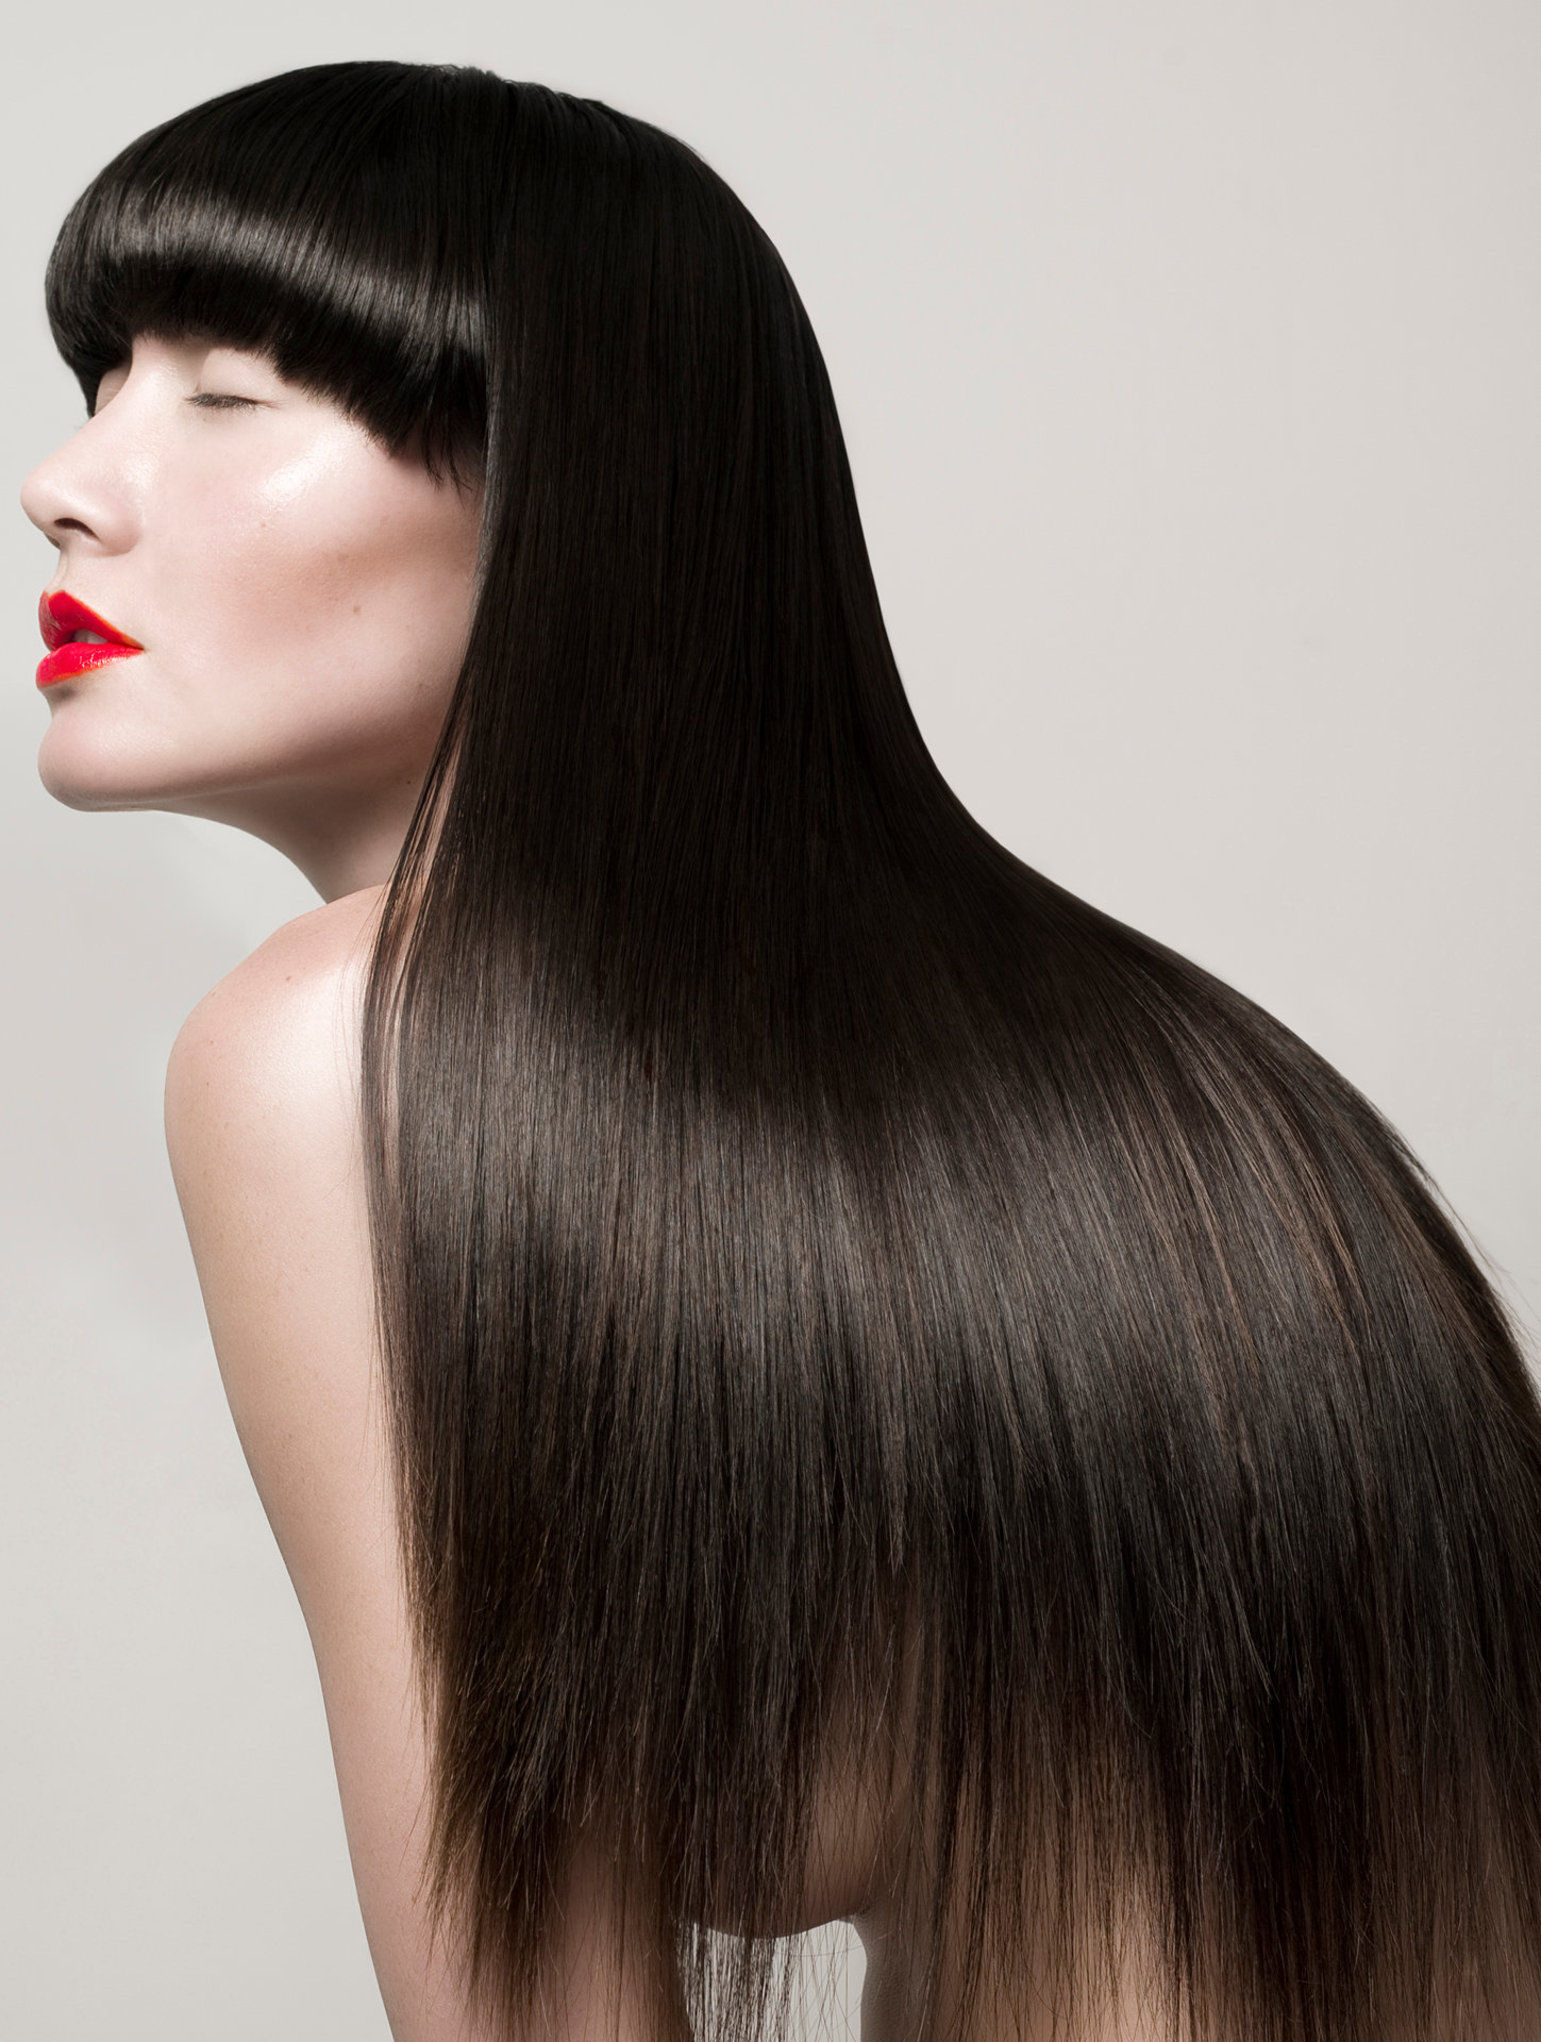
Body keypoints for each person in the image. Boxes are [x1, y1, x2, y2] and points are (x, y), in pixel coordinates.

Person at [20, 58, 1541, 2042]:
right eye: (101, 381)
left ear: (570, 481)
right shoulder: (1179, 1100)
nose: (69, 481)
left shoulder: (336, 1052)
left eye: (229, 396)